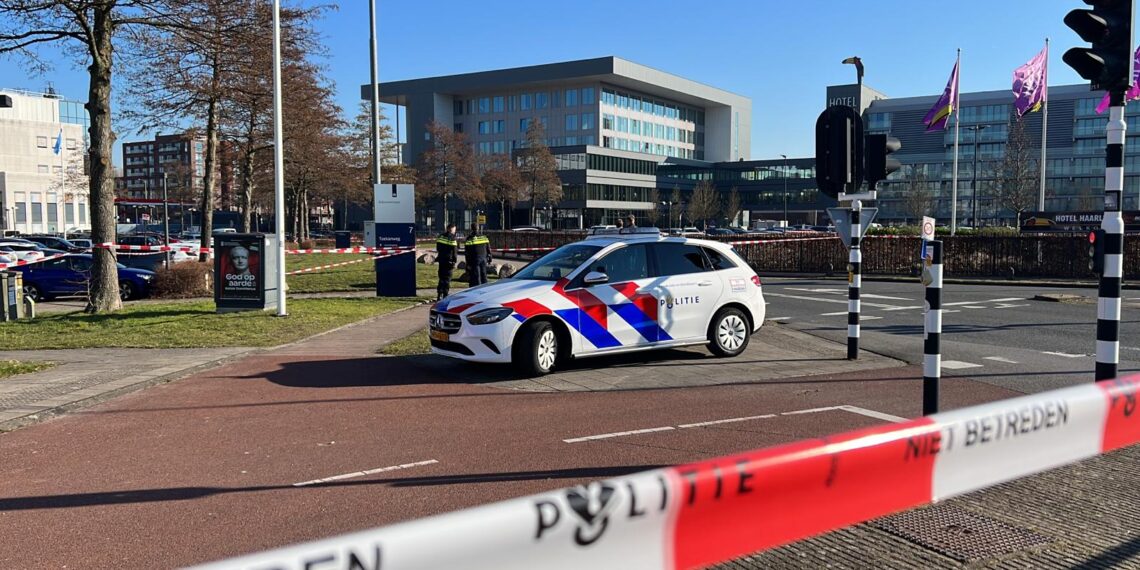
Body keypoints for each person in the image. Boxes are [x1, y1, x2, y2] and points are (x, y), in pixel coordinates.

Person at [435, 223, 458, 300]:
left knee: (441, 277)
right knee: (447, 278)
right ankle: (445, 294)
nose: (455, 231)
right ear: (450, 229)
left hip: (441, 260)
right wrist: (454, 261)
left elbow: (438, 248)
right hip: (449, 261)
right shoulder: (453, 238)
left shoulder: (441, 237)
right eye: (454, 229)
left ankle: (439, 294)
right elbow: (454, 252)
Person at [464, 223, 491, 287]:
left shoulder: (470, 238)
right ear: (478, 228)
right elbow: (488, 249)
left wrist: (468, 263)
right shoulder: (484, 237)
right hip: (484, 259)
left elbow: (467, 252)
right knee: (484, 275)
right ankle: (486, 289)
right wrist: (489, 258)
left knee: (477, 277)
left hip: (475, 260)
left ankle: (478, 290)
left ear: (471, 228)